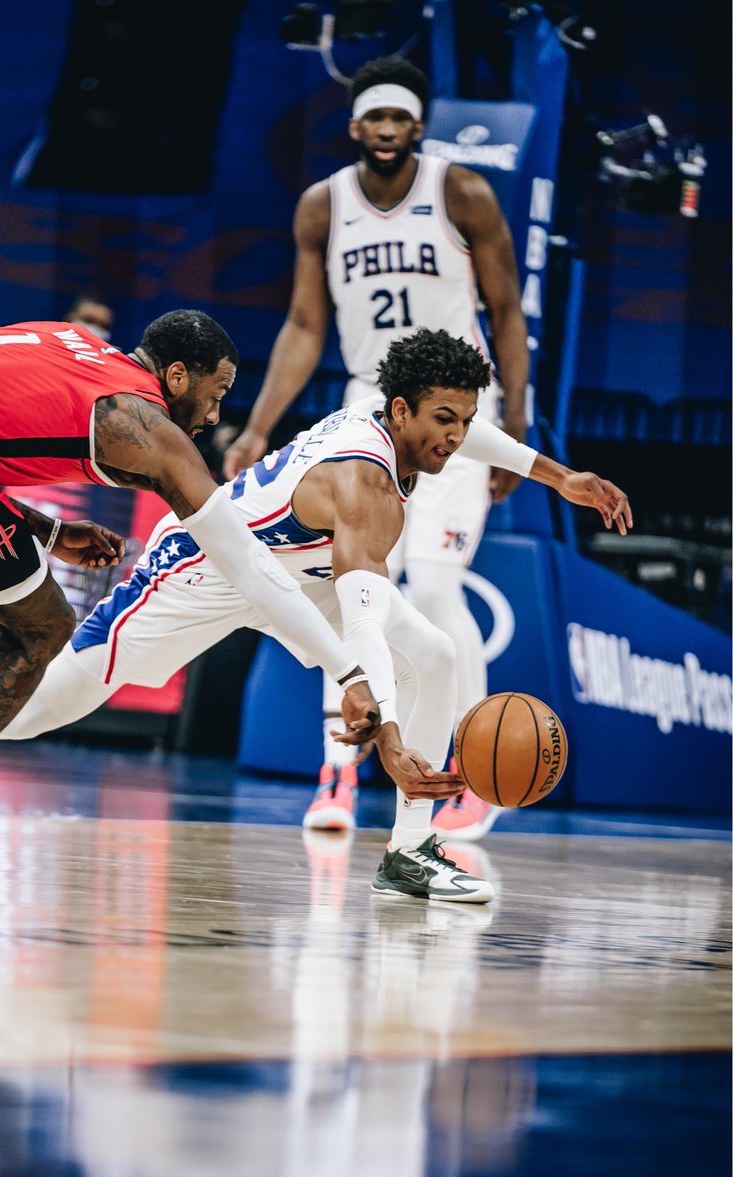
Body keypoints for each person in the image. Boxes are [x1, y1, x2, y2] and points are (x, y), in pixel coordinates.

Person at [0, 329, 632, 901]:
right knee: (36, 707)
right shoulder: (370, 490)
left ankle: (411, 853)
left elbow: (468, 430)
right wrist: (388, 729)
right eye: (441, 421)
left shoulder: (395, 415)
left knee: (440, 652)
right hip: (197, 578)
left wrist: (561, 477)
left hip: (292, 572)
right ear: (400, 412)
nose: (454, 438)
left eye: (461, 421)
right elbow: (363, 613)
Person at [0, 310, 383, 869]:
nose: (216, 416)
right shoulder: (148, 428)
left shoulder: (74, 342)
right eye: (216, 394)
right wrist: (350, 674)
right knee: (41, 630)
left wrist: (49, 528)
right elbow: (248, 566)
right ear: (175, 376)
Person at [222, 55, 530, 841]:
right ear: (355, 125)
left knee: (429, 590)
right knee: (351, 588)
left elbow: (506, 312)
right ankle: (338, 773)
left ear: (418, 126)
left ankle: (471, 772)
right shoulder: (322, 207)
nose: (388, 131)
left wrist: (512, 426)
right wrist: (259, 424)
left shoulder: (460, 191)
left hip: (458, 413)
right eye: (374, 118)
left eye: (401, 118)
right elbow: (302, 325)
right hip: (370, 407)